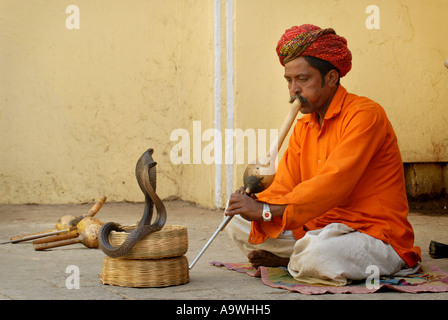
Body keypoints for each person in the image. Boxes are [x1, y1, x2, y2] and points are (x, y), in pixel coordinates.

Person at [224, 24, 422, 286]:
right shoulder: (305, 124)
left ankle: (294, 261)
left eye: (302, 80)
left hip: (371, 234)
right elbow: (285, 183)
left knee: (318, 253)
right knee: (236, 221)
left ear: (330, 78)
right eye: (289, 81)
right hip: (316, 228)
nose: (294, 90)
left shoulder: (365, 115)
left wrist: (267, 211)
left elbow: (334, 185)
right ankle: (301, 260)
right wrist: (256, 200)